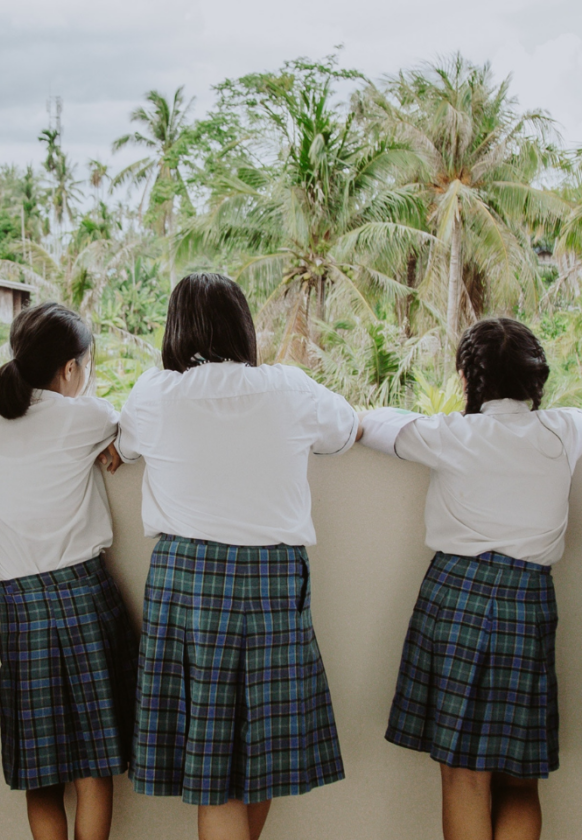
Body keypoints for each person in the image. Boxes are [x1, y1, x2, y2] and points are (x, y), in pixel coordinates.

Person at [118, 273, 358, 840]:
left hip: (188, 582)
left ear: (175, 331)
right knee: (261, 748)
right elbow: (345, 431)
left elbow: (123, 445)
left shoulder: (154, 394)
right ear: (243, 327)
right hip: (272, 579)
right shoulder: (291, 388)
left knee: (216, 764)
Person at [360, 319, 582, 840]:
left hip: (458, 597)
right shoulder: (568, 428)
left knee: (464, 775)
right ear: (537, 378)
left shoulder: (451, 435)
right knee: (520, 778)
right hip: (529, 601)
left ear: (468, 378)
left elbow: (373, 423)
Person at [0, 303, 133, 840]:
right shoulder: (86, 418)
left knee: (42, 771)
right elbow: (125, 424)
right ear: (69, 368)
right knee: (92, 762)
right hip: (83, 596)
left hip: (20, 609)